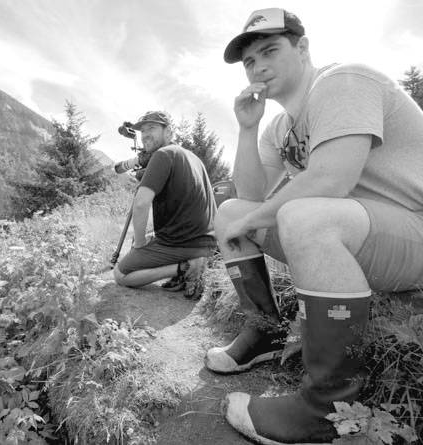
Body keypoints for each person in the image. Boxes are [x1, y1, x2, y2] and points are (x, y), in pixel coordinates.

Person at [204, 7, 423, 445]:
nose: (258, 65)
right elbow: (250, 193)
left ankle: (327, 407)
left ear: (303, 49)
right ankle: (264, 333)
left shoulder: (344, 81)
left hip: (413, 230)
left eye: (270, 50)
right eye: (249, 61)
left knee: (303, 213)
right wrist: (247, 130)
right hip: (364, 233)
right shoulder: (280, 126)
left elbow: (330, 179)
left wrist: (252, 219)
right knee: (229, 212)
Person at [113, 110, 214, 300]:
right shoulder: (192, 157)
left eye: (152, 128)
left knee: (120, 274)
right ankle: (187, 265)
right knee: (142, 238)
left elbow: (141, 204)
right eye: (142, 131)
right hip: (206, 241)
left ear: (169, 132)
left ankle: (183, 267)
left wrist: (141, 244)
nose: (145, 135)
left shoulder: (163, 154)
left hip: (184, 243)